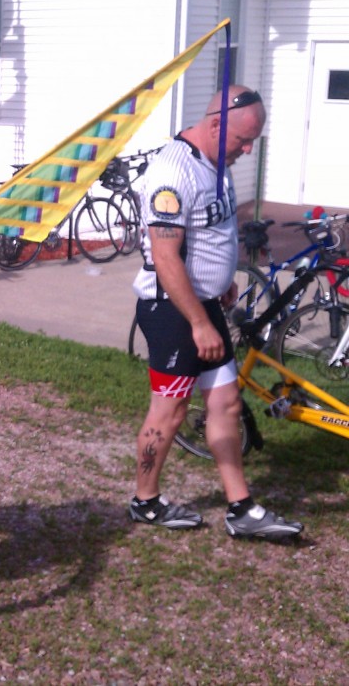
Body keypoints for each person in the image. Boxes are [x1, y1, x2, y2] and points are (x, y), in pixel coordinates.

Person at [129, 85, 303, 542]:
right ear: (215, 124)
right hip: (171, 309)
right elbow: (166, 259)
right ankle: (145, 500)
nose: (247, 151)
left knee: (225, 402)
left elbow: (211, 228)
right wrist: (199, 322)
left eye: (253, 143)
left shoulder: (218, 165)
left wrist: (221, 277)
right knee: (171, 410)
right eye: (243, 140)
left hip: (203, 302)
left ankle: (241, 508)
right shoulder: (172, 171)